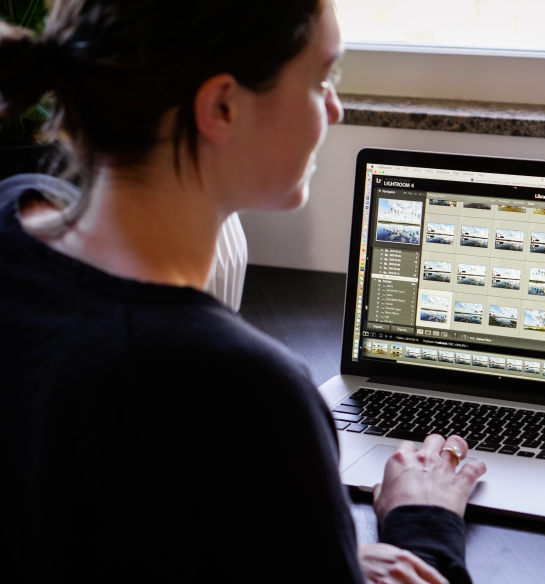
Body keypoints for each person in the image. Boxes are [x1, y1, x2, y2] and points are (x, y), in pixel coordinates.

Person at [0, 1, 487, 582]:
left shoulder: (12, 214)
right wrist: (424, 524)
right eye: (321, 79)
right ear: (222, 107)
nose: (334, 108)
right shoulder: (244, 393)